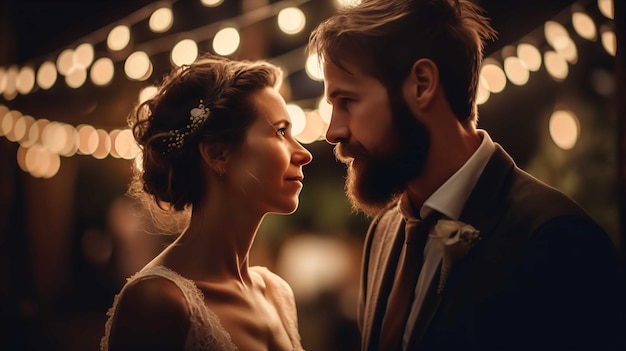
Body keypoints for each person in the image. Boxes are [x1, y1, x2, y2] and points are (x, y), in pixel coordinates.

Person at [309, 0, 626, 350]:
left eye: (347, 101)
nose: (332, 131)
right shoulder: (383, 233)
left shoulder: (560, 240)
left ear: (422, 84)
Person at [100, 54, 311, 350]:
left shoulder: (277, 293)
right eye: (280, 131)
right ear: (217, 155)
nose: (303, 153)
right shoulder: (157, 301)